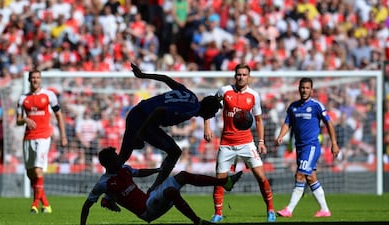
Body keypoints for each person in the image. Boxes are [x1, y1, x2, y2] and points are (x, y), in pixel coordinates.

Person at [118, 63, 222, 192]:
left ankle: (109, 192)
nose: (212, 116)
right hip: (144, 119)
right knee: (175, 152)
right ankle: (155, 188)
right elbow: (158, 110)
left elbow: (166, 79)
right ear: (208, 111)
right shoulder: (190, 110)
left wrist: (142, 75)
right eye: (213, 113)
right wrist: (141, 132)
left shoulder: (191, 96)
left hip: (136, 111)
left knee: (122, 157)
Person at [80, 147, 242, 225]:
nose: (118, 158)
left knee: (183, 176)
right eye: (115, 157)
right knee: (171, 192)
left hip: (149, 199)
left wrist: (157, 169)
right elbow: (86, 206)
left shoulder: (125, 170)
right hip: (146, 211)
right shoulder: (103, 183)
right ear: (108, 163)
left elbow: (139, 172)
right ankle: (198, 222)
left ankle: (225, 182)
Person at [203, 63, 276, 223]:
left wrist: (261, 141)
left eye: (244, 74)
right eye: (238, 74)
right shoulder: (224, 91)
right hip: (226, 143)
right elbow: (209, 107)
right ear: (235, 76)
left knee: (261, 177)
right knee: (219, 180)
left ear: (248, 77)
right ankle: (218, 213)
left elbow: (258, 120)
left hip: (247, 143)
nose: (241, 77)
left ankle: (270, 210)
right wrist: (207, 127)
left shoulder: (254, 95)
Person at [275, 77, 340, 218]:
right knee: (310, 177)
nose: (304, 90)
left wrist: (334, 143)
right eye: (302, 87)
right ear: (299, 89)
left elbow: (329, 124)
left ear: (311, 89)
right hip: (300, 147)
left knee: (300, 175)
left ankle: (289, 210)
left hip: (311, 147)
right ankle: (324, 210)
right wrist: (281, 136)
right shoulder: (293, 106)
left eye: (307, 88)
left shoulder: (316, 106)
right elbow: (287, 123)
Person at [16, 69, 68, 214]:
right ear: (29, 80)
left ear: (41, 79)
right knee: (30, 173)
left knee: (38, 170)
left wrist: (63, 136)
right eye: (33, 78)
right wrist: (25, 119)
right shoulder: (22, 99)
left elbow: (59, 115)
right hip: (28, 137)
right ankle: (45, 204)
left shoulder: (49, 95)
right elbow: (18, 120)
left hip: (44, 136)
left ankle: (34, 205)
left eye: (38, 77)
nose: (35, 80)